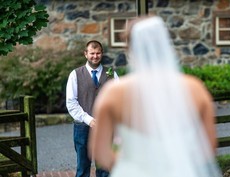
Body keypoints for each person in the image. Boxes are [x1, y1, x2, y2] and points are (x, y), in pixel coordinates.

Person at [88, 16, 221, 177]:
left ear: (129, 48)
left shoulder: (113, 92)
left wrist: (129, 166)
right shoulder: (195, 88)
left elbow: (100, 153)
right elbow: (209, 148)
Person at [66, 40, 118, 177]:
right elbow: (71, 103)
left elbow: (117, 101)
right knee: (83, 168)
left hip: (106, 128)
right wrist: (88, 120)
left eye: (98, 53)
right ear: (85, 54)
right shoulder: (75, 74)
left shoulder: (112, 74)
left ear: (102, 54)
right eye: (92, 53)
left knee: (105, 169)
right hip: (82, 127)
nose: (95, 56)